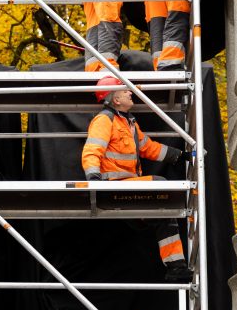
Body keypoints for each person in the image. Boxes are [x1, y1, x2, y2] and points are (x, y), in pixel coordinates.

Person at [81, 75, 190, 282]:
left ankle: (176, 267)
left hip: (129, 190)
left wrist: (180, 155)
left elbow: (149, 147)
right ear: (115, 99)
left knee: (165, 216)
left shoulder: (129, 123)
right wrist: (93, 179)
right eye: (125, 90)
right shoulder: (105, 120)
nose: (130, 92)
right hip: (113, 187)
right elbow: (92, 150)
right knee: (160, 185)